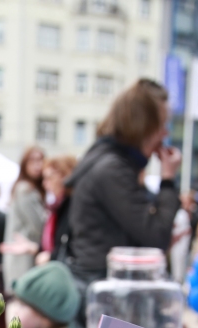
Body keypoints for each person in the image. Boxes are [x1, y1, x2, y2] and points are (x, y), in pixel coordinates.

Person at [64, 79, 182, 292]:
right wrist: (167, 179)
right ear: (143, 125)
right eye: (162, 125)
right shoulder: (112, 169)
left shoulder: (106, 161)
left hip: (102, 284)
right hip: (108, 292)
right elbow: (157, 237)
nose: (165, 134)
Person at [1, 146, 46, 291]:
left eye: (41, 160)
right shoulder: (25, 189)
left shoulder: (25, 188)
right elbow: (39, 226)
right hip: (23, 259)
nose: (38, 165)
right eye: (33, 161)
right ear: (24, 164)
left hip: (22, 257)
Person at [36, 155, 77, 266]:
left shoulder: (73, 206)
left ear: (65, 177)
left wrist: (51, 256)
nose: (44, 184)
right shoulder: (57, 207)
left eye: (49, 178)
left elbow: (71, 247)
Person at [170, 191, 195, 283]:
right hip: (178, 246)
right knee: (177, 269)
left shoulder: (190, 214)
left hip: (187, 246)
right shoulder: (180, 214)